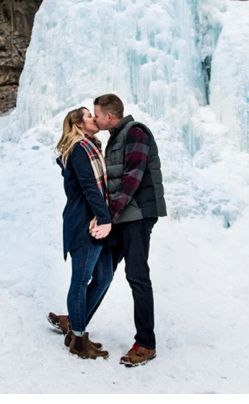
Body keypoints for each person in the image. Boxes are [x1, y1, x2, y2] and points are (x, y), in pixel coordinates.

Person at [92, 93, 166, 367]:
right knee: (101, 270)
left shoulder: (135, 133)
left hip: (136, 217)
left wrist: (108, 215)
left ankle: (146, 344)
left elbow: (132, 179)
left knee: (137, 276)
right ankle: (77, 321)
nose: (95, 118)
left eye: (97, 114)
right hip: (123, 216)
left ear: (109, 116)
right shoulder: (117, 136)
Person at [48, 107, 114, 360]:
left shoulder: (93, 146)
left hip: (98, 219)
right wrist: (104, 217)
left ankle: (75, 329)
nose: (94, 119)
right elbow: (88, 185)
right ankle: (78, 338)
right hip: (85, 221)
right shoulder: (78, 149)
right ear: (77, 124)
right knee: (81, 278)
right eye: (89, 116)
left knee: (104, 276)